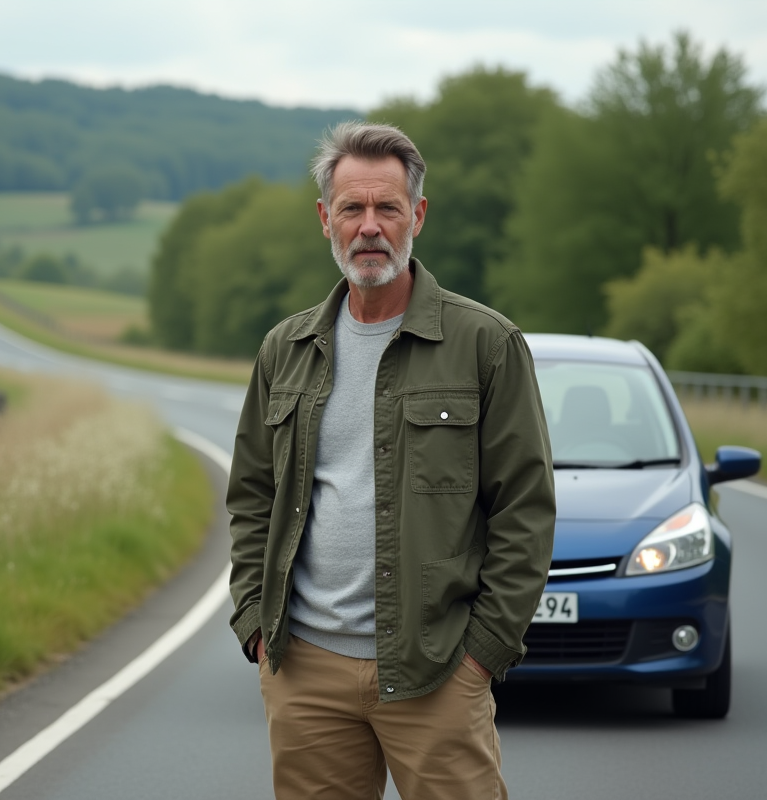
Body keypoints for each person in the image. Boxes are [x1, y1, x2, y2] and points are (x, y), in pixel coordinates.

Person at [227, 121, 556, 800]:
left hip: (437, 668)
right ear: (326, 219)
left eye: (388, 208)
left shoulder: (486, 345)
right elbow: (252, 495)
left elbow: (524, 510)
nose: (369, 226)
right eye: (352, 208)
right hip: (306, 670)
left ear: (419, 216)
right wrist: (256, 623)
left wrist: (481, 654)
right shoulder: (284, 349)